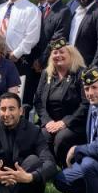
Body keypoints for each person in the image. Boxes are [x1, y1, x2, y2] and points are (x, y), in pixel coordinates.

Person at [34, 38, 89, 168]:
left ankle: (64, 166)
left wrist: (64, 122)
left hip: (73, 123)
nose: (58, 55)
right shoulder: (46, 74)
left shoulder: (81, 74)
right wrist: (48, 122)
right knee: (43, 135)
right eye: (55, 53)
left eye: (61, 52)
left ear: (71, 54)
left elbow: (86, 104)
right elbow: (37, 101)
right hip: (50, 122)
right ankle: (47, 166)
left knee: (62, 137)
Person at [0, 0, 41, 106]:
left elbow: (32, 37)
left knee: (18, 98)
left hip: (19, 60)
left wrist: (16, 53)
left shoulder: (32, 9)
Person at [32, 0, 72, 71]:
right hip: (38, 59)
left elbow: (56, 39)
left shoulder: (64, 11)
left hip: (51, 61)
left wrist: (42, 60)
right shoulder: (44, 9)